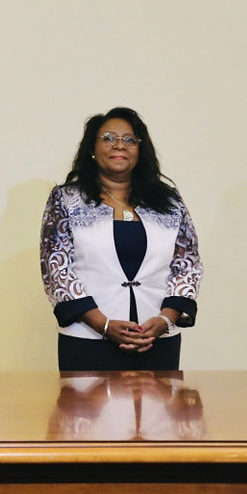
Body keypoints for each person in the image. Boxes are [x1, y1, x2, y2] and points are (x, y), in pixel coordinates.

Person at [40, 107, 203, 371]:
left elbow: (188, 264)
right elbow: (56, 267)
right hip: (88, 340)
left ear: (140, 150)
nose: (120, 145)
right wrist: (103, 325)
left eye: (129, 140)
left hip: (157, 339)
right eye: (108, 138)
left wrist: (164, 320)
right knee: (85, 414)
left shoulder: (169, 201)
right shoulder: (66, 199)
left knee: (159, 413)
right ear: (92, 149)